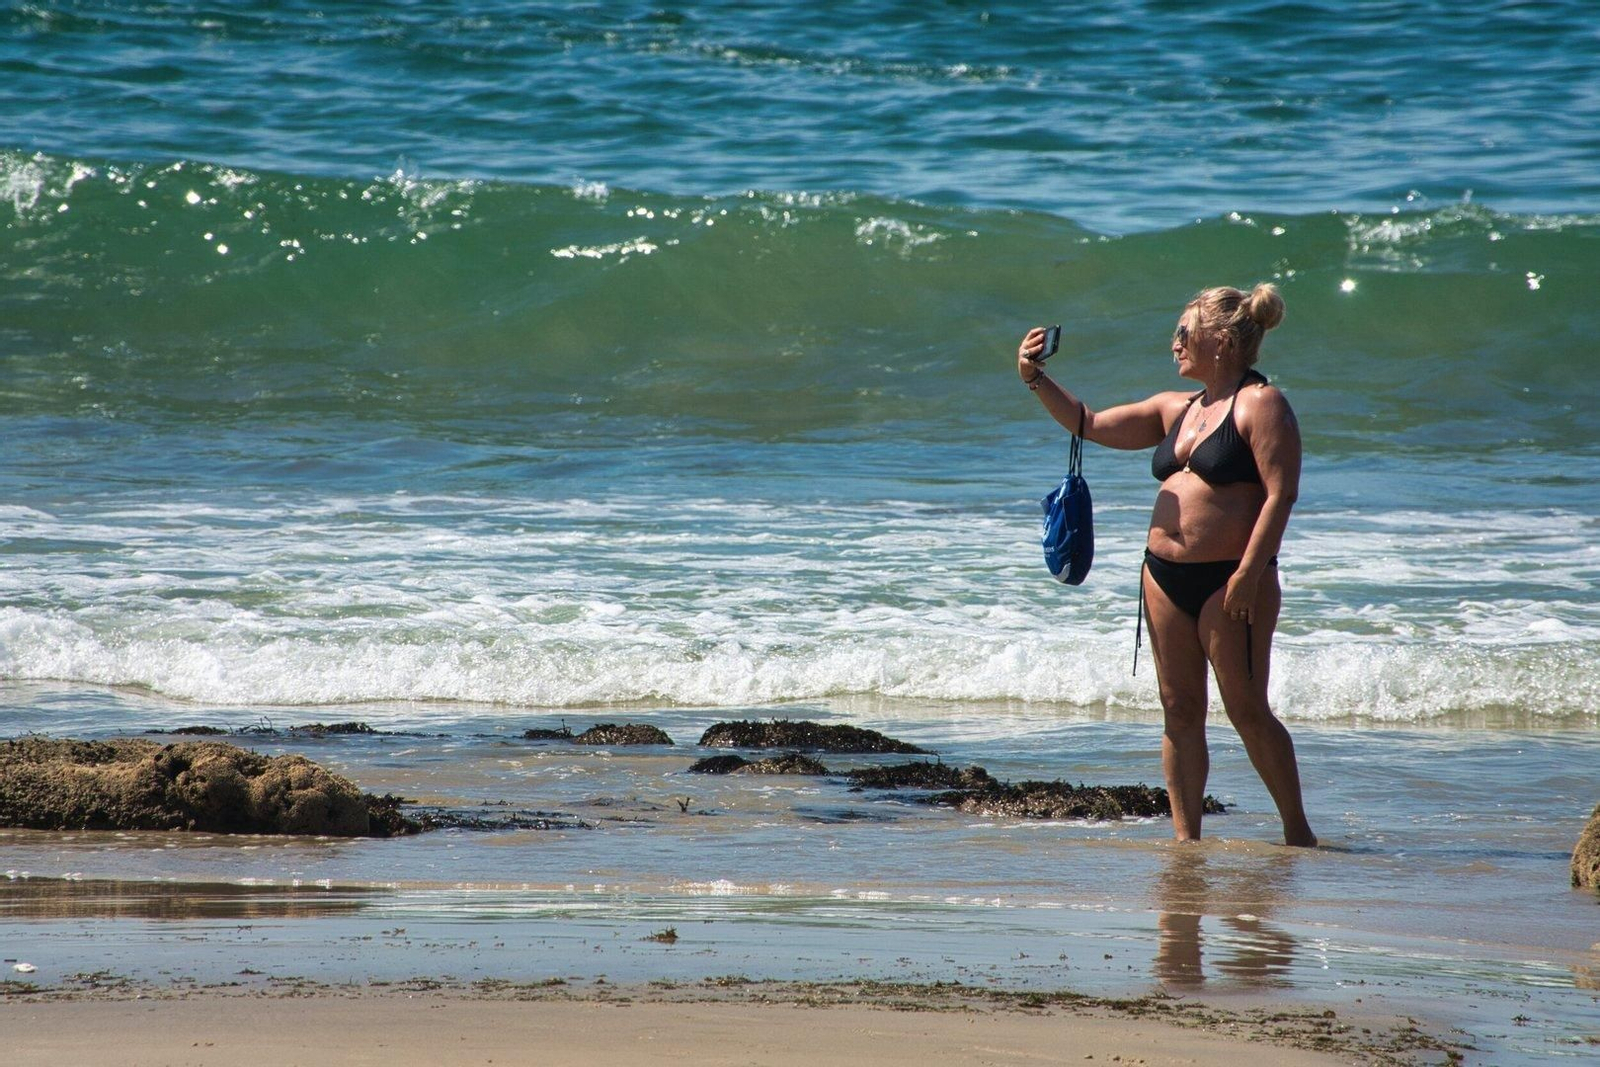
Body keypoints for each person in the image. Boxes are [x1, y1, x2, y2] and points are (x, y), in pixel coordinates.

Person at [1015, 284, 1316, 847]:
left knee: (1247, 710)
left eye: (1184, 332)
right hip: (1162, 577)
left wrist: (1249, 574)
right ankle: (1186, 843)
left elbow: (1281, 495)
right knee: (1178, 709)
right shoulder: (1177, 408)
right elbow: (1087, 422)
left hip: (1231, 579)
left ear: (1220, 340)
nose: (1174, 342)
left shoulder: (1261, 404)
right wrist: (1034, 378)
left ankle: (1297, 834)